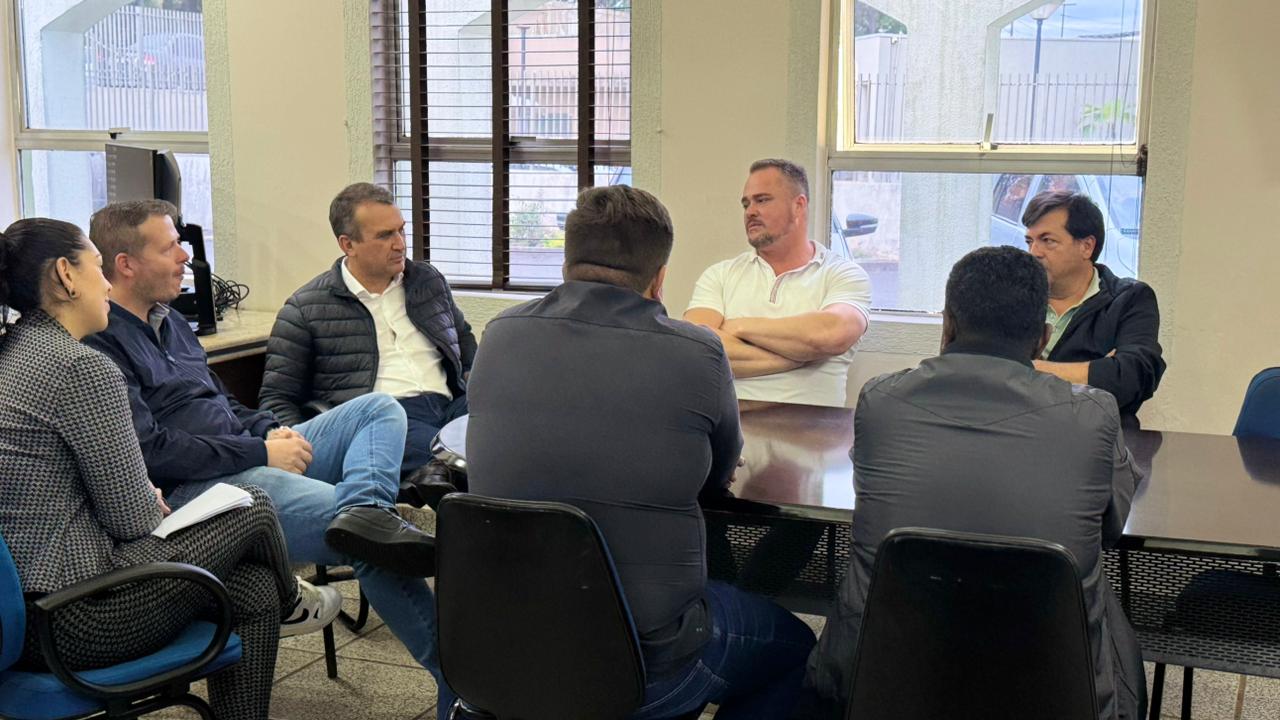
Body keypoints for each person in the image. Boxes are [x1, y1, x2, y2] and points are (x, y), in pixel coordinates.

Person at [82, 200, 457, 717]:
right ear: (126, 264)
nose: (186, 257)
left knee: (378, 409)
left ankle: (368, 510)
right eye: (169, 248)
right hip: (204, 491)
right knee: (369, 543)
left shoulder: (172, 322)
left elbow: (222, 403)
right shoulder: (101, 343)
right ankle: (461, 680)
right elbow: (153, 452)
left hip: (248, 454)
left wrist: (266, 430)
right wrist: (259, 450)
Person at [466, 185, 815, 719]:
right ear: (659, 278)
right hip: (648, 662)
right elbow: (718, 477)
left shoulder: (500, 335)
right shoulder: (698, 352)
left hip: (504, 642)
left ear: (566, 264)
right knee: (798, 651)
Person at [0, 218, 336, 720]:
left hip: (29, 617)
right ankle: (294, 601)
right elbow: (133, 521)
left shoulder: (17, 350)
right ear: (66, 275)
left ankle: (283, 599)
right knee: (253, 506)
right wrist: (144, 497)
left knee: (252, 589)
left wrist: (139, 495)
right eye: (98, 268)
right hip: (73, 618)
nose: (107, 285)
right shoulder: (79, 366)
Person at [799, 246, 1146, 720]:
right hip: (1051, 692)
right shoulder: (1093, 416)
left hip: (882, 685)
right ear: (1042, 339)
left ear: (946, 325)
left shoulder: (881, 402)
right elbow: (1111, 524)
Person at [259, 183, 475, 475]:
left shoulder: (428, 282)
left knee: (513, 431)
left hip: (451, 404)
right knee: (458, 458)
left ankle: (439, 478)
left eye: (401, 230)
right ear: (348, 245)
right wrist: (304, 450)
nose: (400, 244)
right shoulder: (306, 308)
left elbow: (466, 347)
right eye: (385, 236)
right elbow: (277, 398)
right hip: (386, 416)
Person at [685, 158, 871, 408]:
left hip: (814, 429)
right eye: (746, 204)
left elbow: (832, 334)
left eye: (762, 200)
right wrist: (801, 356)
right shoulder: (720, 275)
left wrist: (738, 326)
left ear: (798, 205)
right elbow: (696, 349)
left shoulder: (842, 274)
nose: (750, 211)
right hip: (732, 427)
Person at [1023, 190, 1165, 418]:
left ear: (1087, 246)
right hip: (1018, 428)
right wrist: (1096, 370)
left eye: (1047, 241)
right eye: (1029, 241)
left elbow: (1132, 378)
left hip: (1095, 432)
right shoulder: (1013, 295)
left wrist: (1028, 369)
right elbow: (983, 369)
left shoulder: (1130, 299)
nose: (1034, 252)